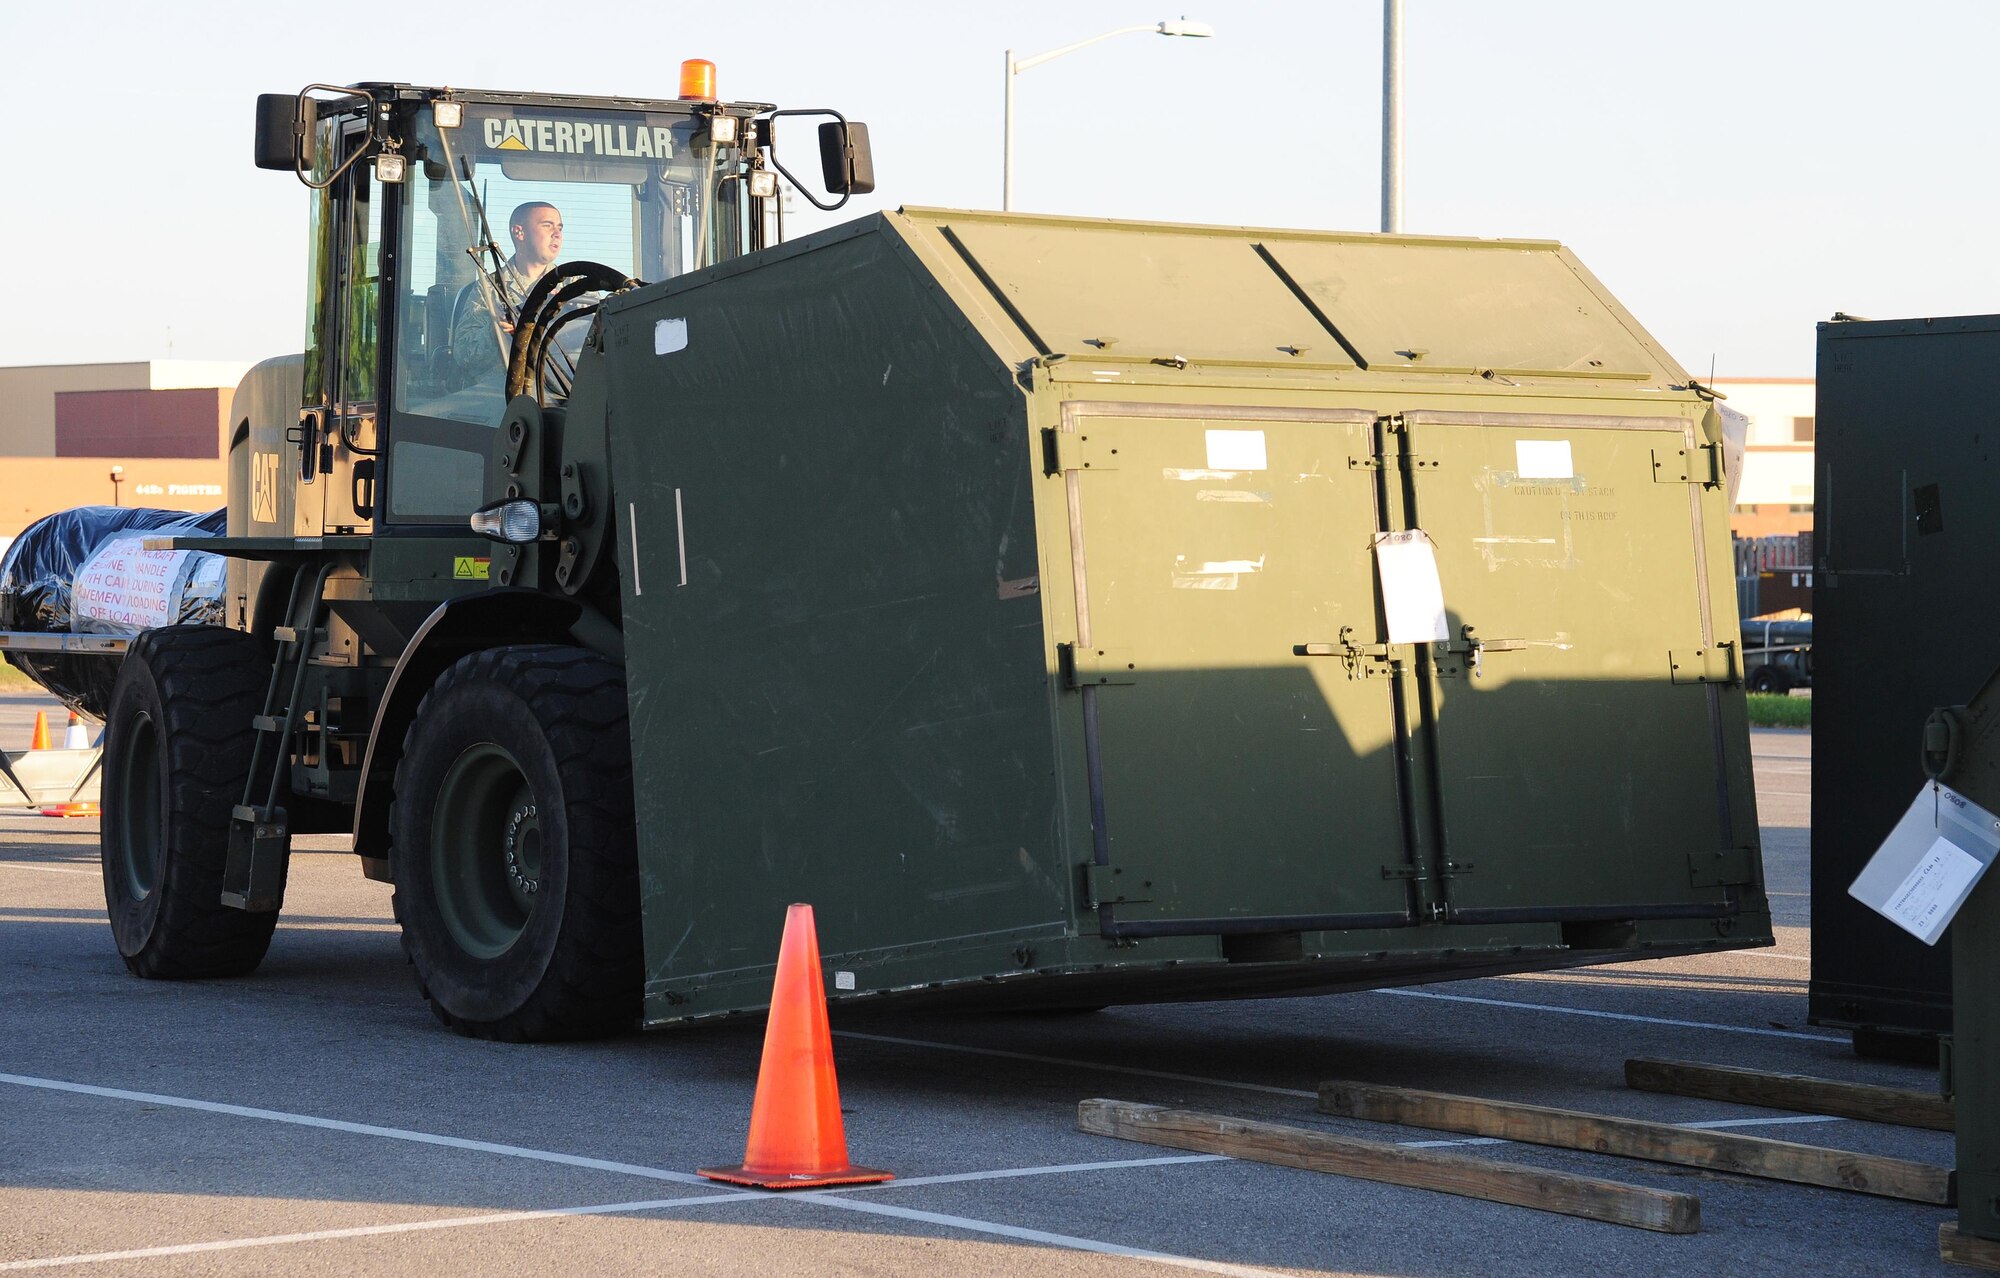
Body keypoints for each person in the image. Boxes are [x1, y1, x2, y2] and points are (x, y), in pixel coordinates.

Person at [452, 201, 563, 373]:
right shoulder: (490, 288)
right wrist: (498, 330)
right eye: (547, 226)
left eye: (560, 228)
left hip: (564, 388)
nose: (557, 234)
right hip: (500, 392)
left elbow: (600, 341)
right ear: (519, 232)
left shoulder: (576, 285)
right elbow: (463, 355)